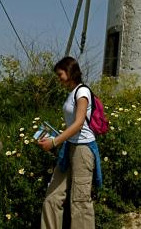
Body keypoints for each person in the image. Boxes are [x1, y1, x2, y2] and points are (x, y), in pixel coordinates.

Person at [39, 56, 102, 229]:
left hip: (83, 150)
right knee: (52, 197)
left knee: (80, 202)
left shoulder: (82, 92)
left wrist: (54, 142)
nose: (58, 78)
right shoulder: (72, 93)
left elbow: (79, 123)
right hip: (70, 147)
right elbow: (73, 126)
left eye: (60, 75)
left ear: (70, 72)